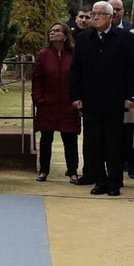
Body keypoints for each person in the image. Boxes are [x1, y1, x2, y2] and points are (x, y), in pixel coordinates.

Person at [70, 0, 134, 196]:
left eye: (101, 14)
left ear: (111, 17)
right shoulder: (84, 38)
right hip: (90, 99)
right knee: (94, 143)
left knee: (114, 143)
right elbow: (76, 69)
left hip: (115, 100)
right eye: (94, 14)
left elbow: (133, 69)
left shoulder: (124, 38)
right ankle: (99, 180)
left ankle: (115, 181)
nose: (96, 17)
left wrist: (131, 96)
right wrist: (75, 96)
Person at [31, 22, 78, 182]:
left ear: (65, 35)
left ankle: (72, 171)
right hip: (48, 103)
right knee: (46, 138)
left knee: (69, 139)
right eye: (51, 30)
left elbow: (79, 77)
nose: (53, 33)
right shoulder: (43, 54)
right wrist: (39, 99)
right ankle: (44, 171)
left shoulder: (74, 54)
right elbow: (36, 79)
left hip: (68, 103)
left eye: (57, 30)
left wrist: (77, 99)